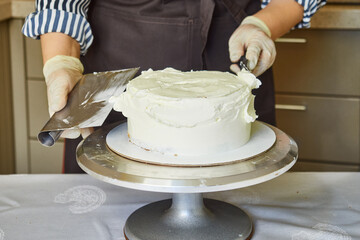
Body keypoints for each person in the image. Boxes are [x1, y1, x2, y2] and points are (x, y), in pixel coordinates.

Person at [23, 0, 326, 173]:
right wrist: (61, 62)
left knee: (240, 198)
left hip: (235, 51)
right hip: (120, 49)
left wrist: (261, 25)